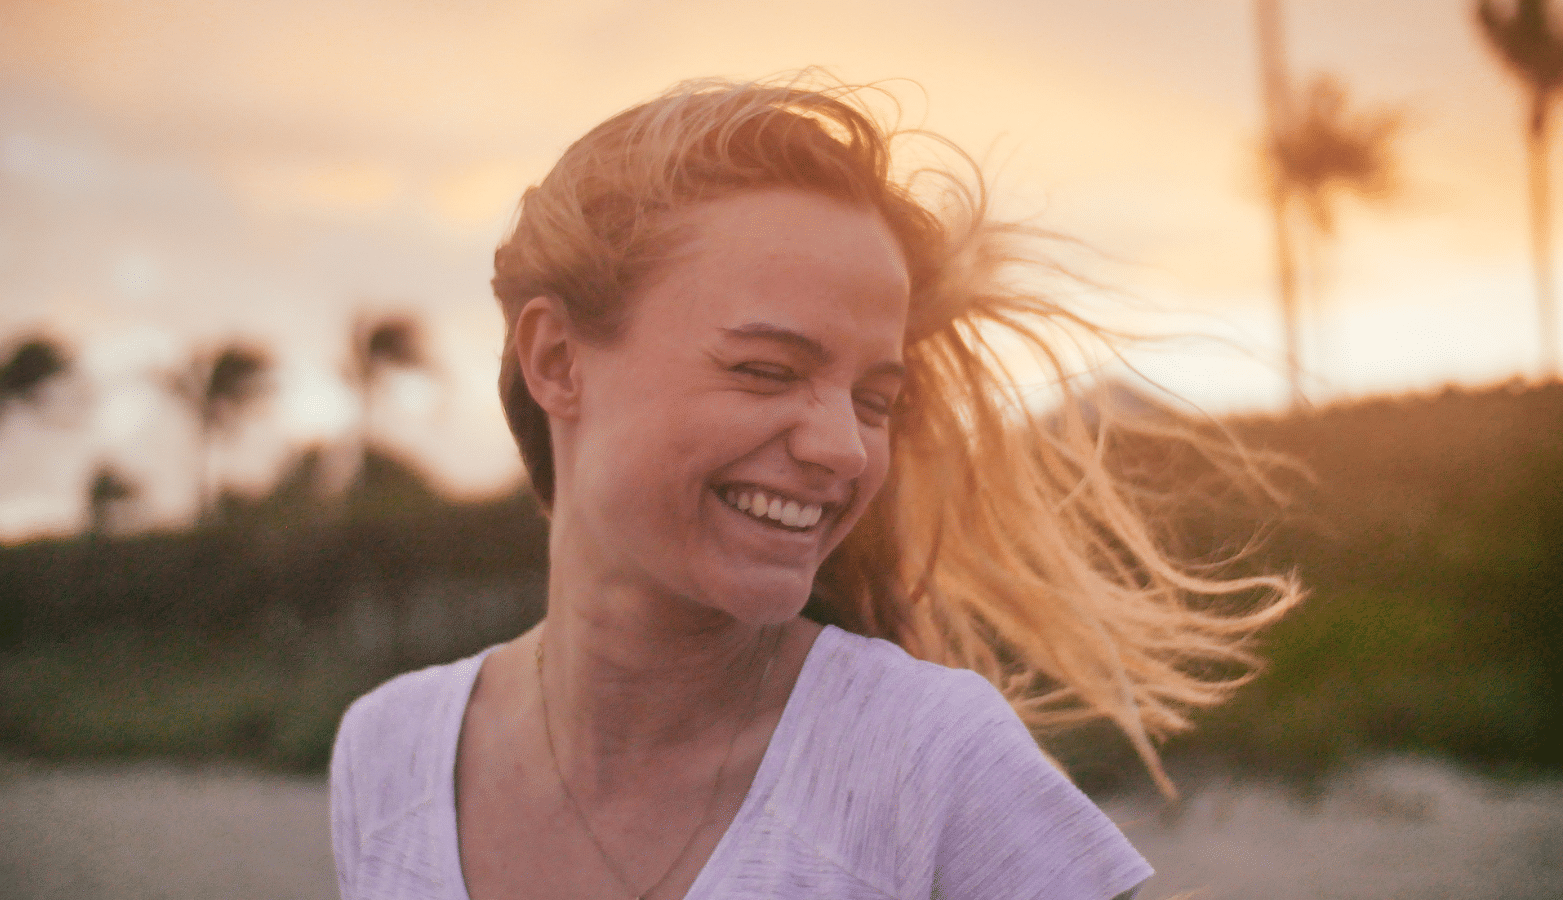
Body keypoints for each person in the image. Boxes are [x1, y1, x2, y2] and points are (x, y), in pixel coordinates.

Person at [329, 74, 1301, 900]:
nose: (842, 448)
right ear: (556, 360)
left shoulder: (929, 761)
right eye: (765, 370)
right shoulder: (388, 757)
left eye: (875, 399)